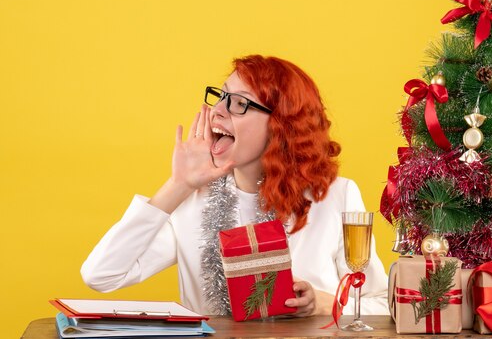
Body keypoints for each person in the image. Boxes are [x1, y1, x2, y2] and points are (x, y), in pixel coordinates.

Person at [81, 54, 389, 317]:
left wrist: (329, 304)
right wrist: (178, 185)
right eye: (222, 96)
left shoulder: (335, 197)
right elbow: (101, 274)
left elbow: (382, 304)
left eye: (239, 103)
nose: (217, 111)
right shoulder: (192, 201)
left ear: (281, 124)